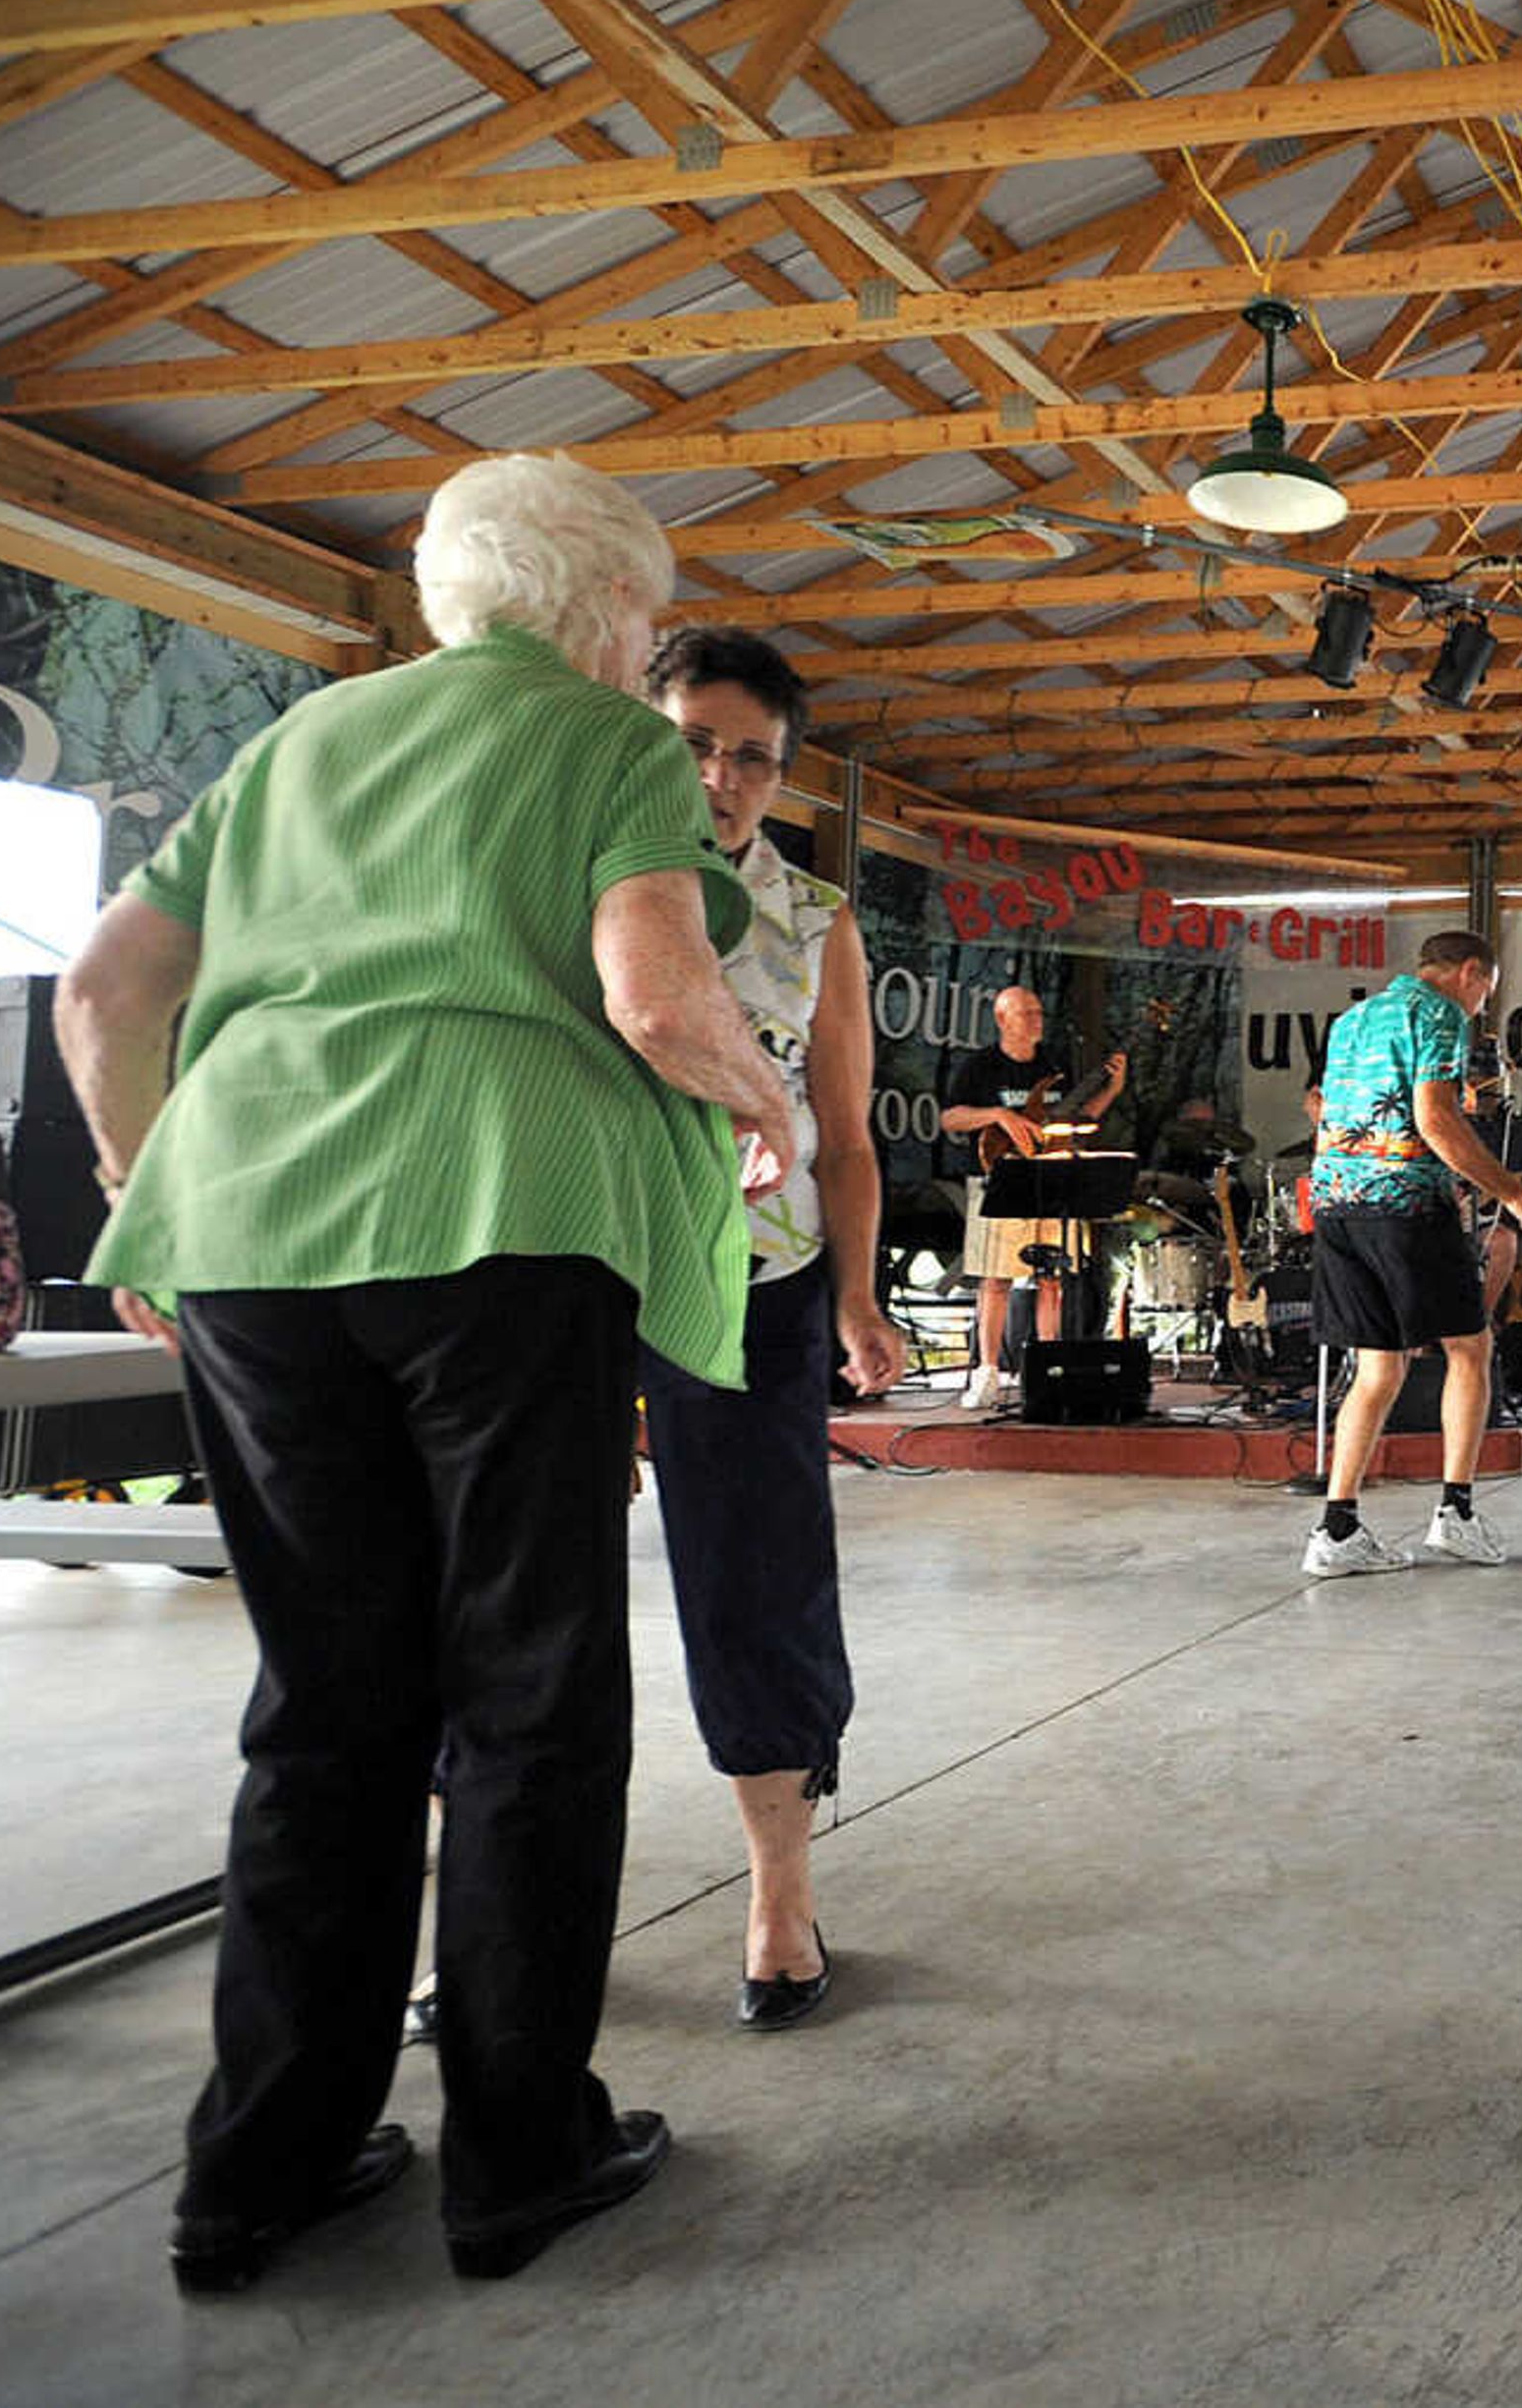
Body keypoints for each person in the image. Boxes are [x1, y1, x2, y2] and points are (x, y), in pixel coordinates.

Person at [55, 451, 799, 2289]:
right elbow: (650, 990)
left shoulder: (298, 745)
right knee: (531, 1692)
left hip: (247, 1225)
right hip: (495, 1214)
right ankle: (516, 2156)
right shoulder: (614, 741)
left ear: (453, 591)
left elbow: (103, 994)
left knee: (325, 1698)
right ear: (616, 614)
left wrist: (149, 1180)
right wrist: (764, 1096)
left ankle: (260, 2170)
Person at [640, 627, 908, 2031]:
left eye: (752, 756)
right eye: (693, 741)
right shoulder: (567, 885)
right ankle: (494, 1906)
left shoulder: (815, 917)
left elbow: (848, 1135)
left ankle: (779, 1897)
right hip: (572, 1269)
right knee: (500, 1587)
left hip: (762, 1278)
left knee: (760, 1584)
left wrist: (859, 1291)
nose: (722, 775)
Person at [1300, 930, 1522, 1576]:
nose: (1479, 1009)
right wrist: (1514, 1193)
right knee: (1470, 1348)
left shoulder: (1354, 1018)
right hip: (1405, 1202)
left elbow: (1334, 1107)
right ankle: (1457, 1514)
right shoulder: (1438, 1012)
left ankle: (1337, 1528)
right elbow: (1436, 1121)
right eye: (1484, 995)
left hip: (1336, 1203)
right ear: (1470, 972)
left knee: (1377, 1369)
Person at [938, 987, 1120, 1407]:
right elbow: (951, 1117)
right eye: (1026, 1013)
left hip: (1051, 1178)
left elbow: (1080, 1117)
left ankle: (1048, 1366)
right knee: (995, 1277)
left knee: (1051, 1278)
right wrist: (999, 1114)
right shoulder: (981, 1067)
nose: (1036, 1019)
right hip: (997, 1177)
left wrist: (1112, 1088)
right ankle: (987, 1371)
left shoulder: (1055, 1064)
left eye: (1039, 1011)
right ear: (1002, 1019)